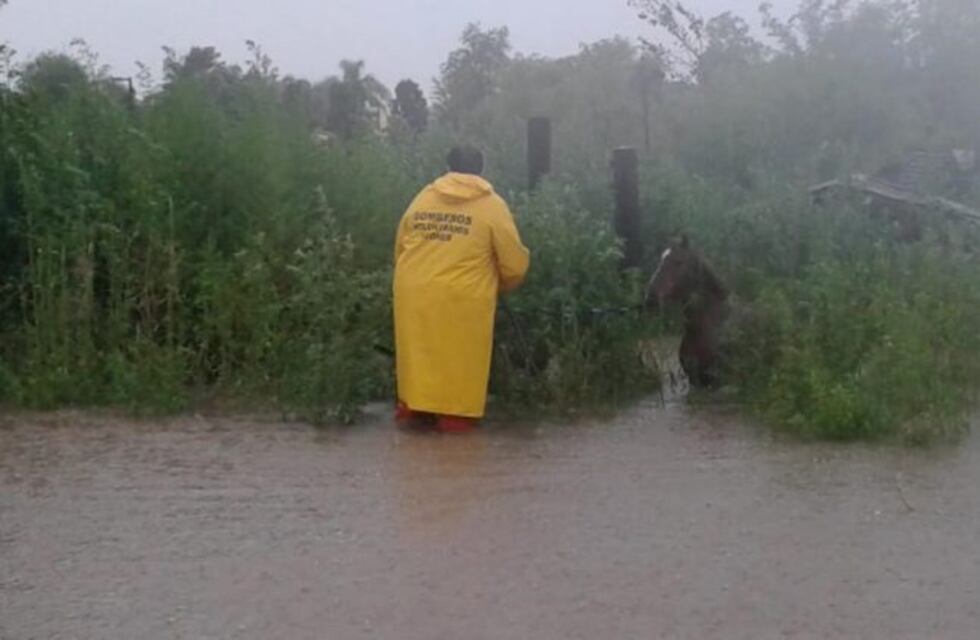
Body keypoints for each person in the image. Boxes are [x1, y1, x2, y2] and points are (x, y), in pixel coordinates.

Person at [392, 146, 530, 433]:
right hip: (464, 297)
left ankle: (415, 409)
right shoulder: (492, 206)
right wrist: (500, 286)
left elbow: (400, 246)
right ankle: (455, 418)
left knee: (420, 353)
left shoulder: (423, 198)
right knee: (460, 359)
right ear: (481, 169)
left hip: (413, 292)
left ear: (448, 165)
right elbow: (514, 263)